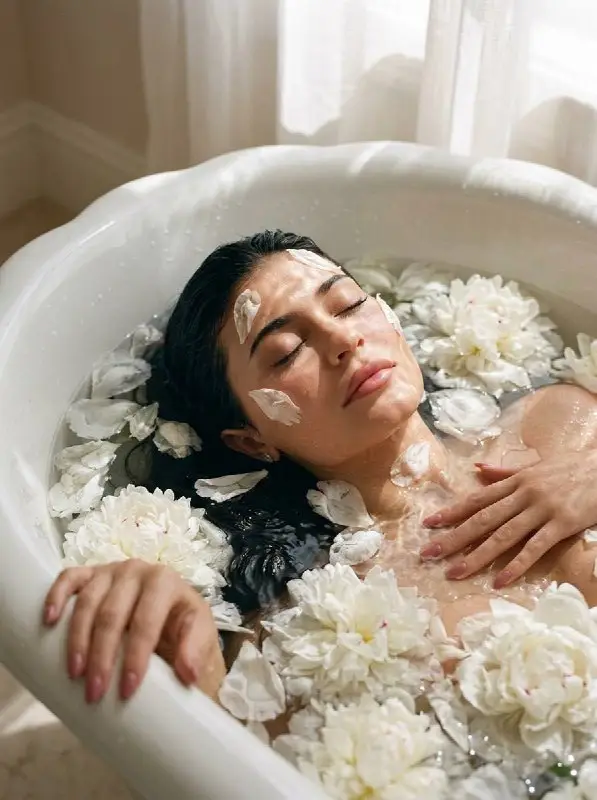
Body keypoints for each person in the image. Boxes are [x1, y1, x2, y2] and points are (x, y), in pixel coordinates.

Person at [43, 230, 597, 706]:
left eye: (349, 304)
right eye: (286, 352)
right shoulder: (325, 623)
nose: (342, 339)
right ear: (252, 440)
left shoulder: (564, 423)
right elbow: (249, 754)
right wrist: (187, 636)